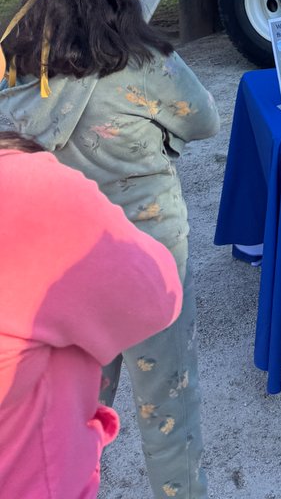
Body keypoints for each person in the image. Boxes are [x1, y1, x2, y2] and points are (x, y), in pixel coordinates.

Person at [0, 0, 220, 499]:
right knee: (169, 403)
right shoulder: (144, 60)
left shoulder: (19, 53)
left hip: (60, 266)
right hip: (148, 254)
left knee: (73, 395)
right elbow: (203, 121)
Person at [0, 130, 182, 499]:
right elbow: (158, 293)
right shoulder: (27, 189)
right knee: (168, 402)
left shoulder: (20, 98)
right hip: (36, 479)